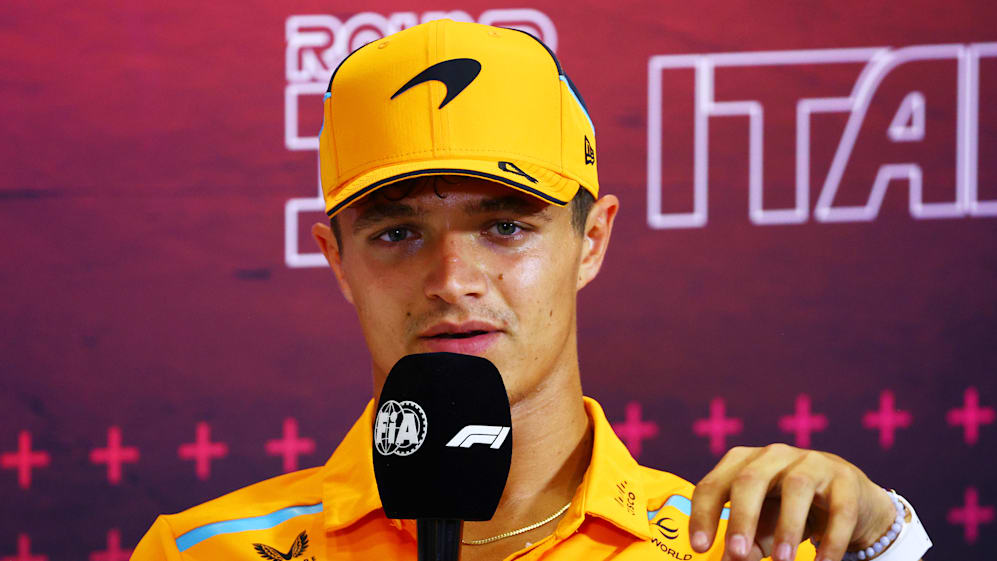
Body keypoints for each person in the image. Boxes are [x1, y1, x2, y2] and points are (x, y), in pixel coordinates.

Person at [132, 19, 931, 561]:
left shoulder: (731, 548)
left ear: (592, 241)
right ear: (336, 260)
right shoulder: (203, 551)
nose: (452, 280)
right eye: (397, 233)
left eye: (505, 226)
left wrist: (884, 541)